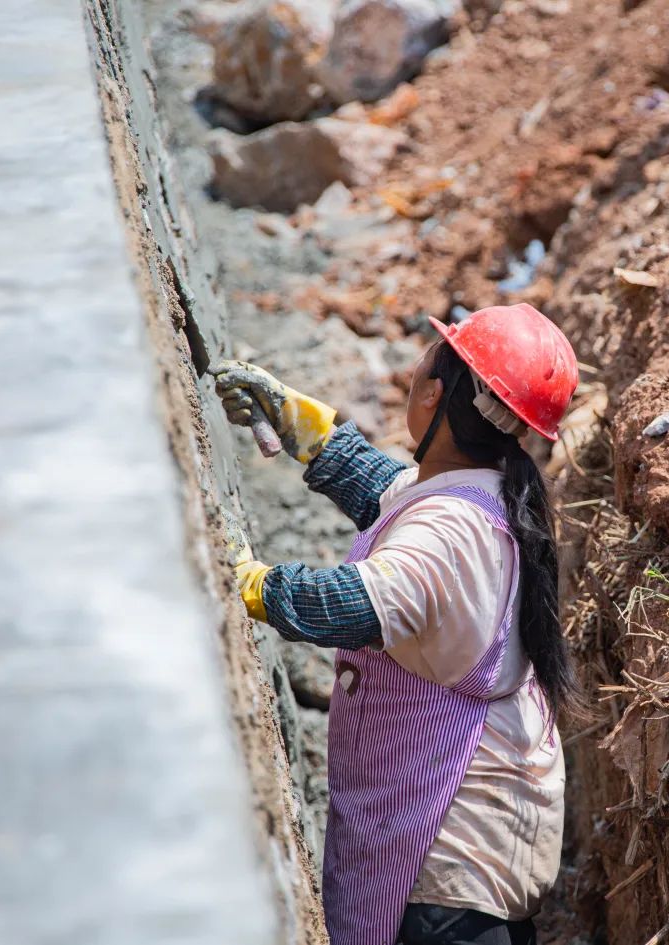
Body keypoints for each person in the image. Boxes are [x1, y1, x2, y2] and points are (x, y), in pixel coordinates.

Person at [212, 303, 582, 945]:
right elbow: (389, 491)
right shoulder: (477, 493)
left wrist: (248, 581)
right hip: (464, 865)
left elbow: (360, 603)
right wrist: (306, 425)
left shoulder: (455, 532)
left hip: (447, 886)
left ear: (433, 394)